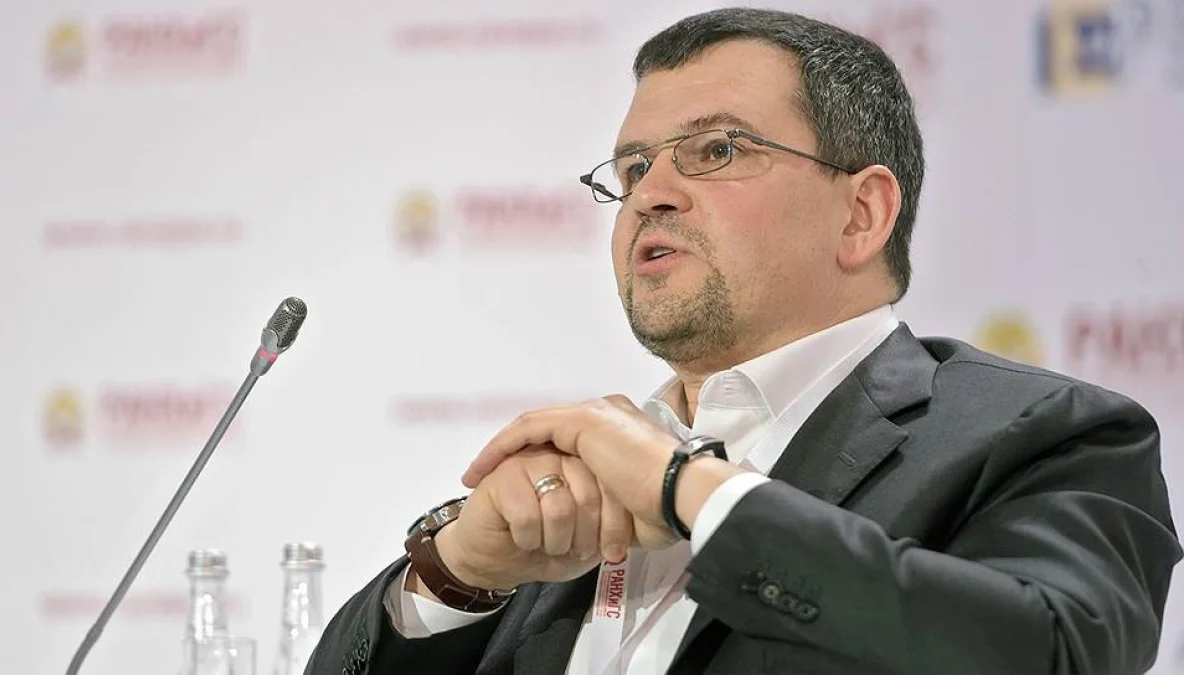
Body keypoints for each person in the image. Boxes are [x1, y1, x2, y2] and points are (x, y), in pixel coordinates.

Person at [306, 7, 1181, 675]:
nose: (650, 193)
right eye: (633, 167)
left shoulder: (1046, 435)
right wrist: (456, 573)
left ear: (862, 212)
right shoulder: (568, 491)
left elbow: (1056, 651)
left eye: (717, 150)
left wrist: (689, 488)